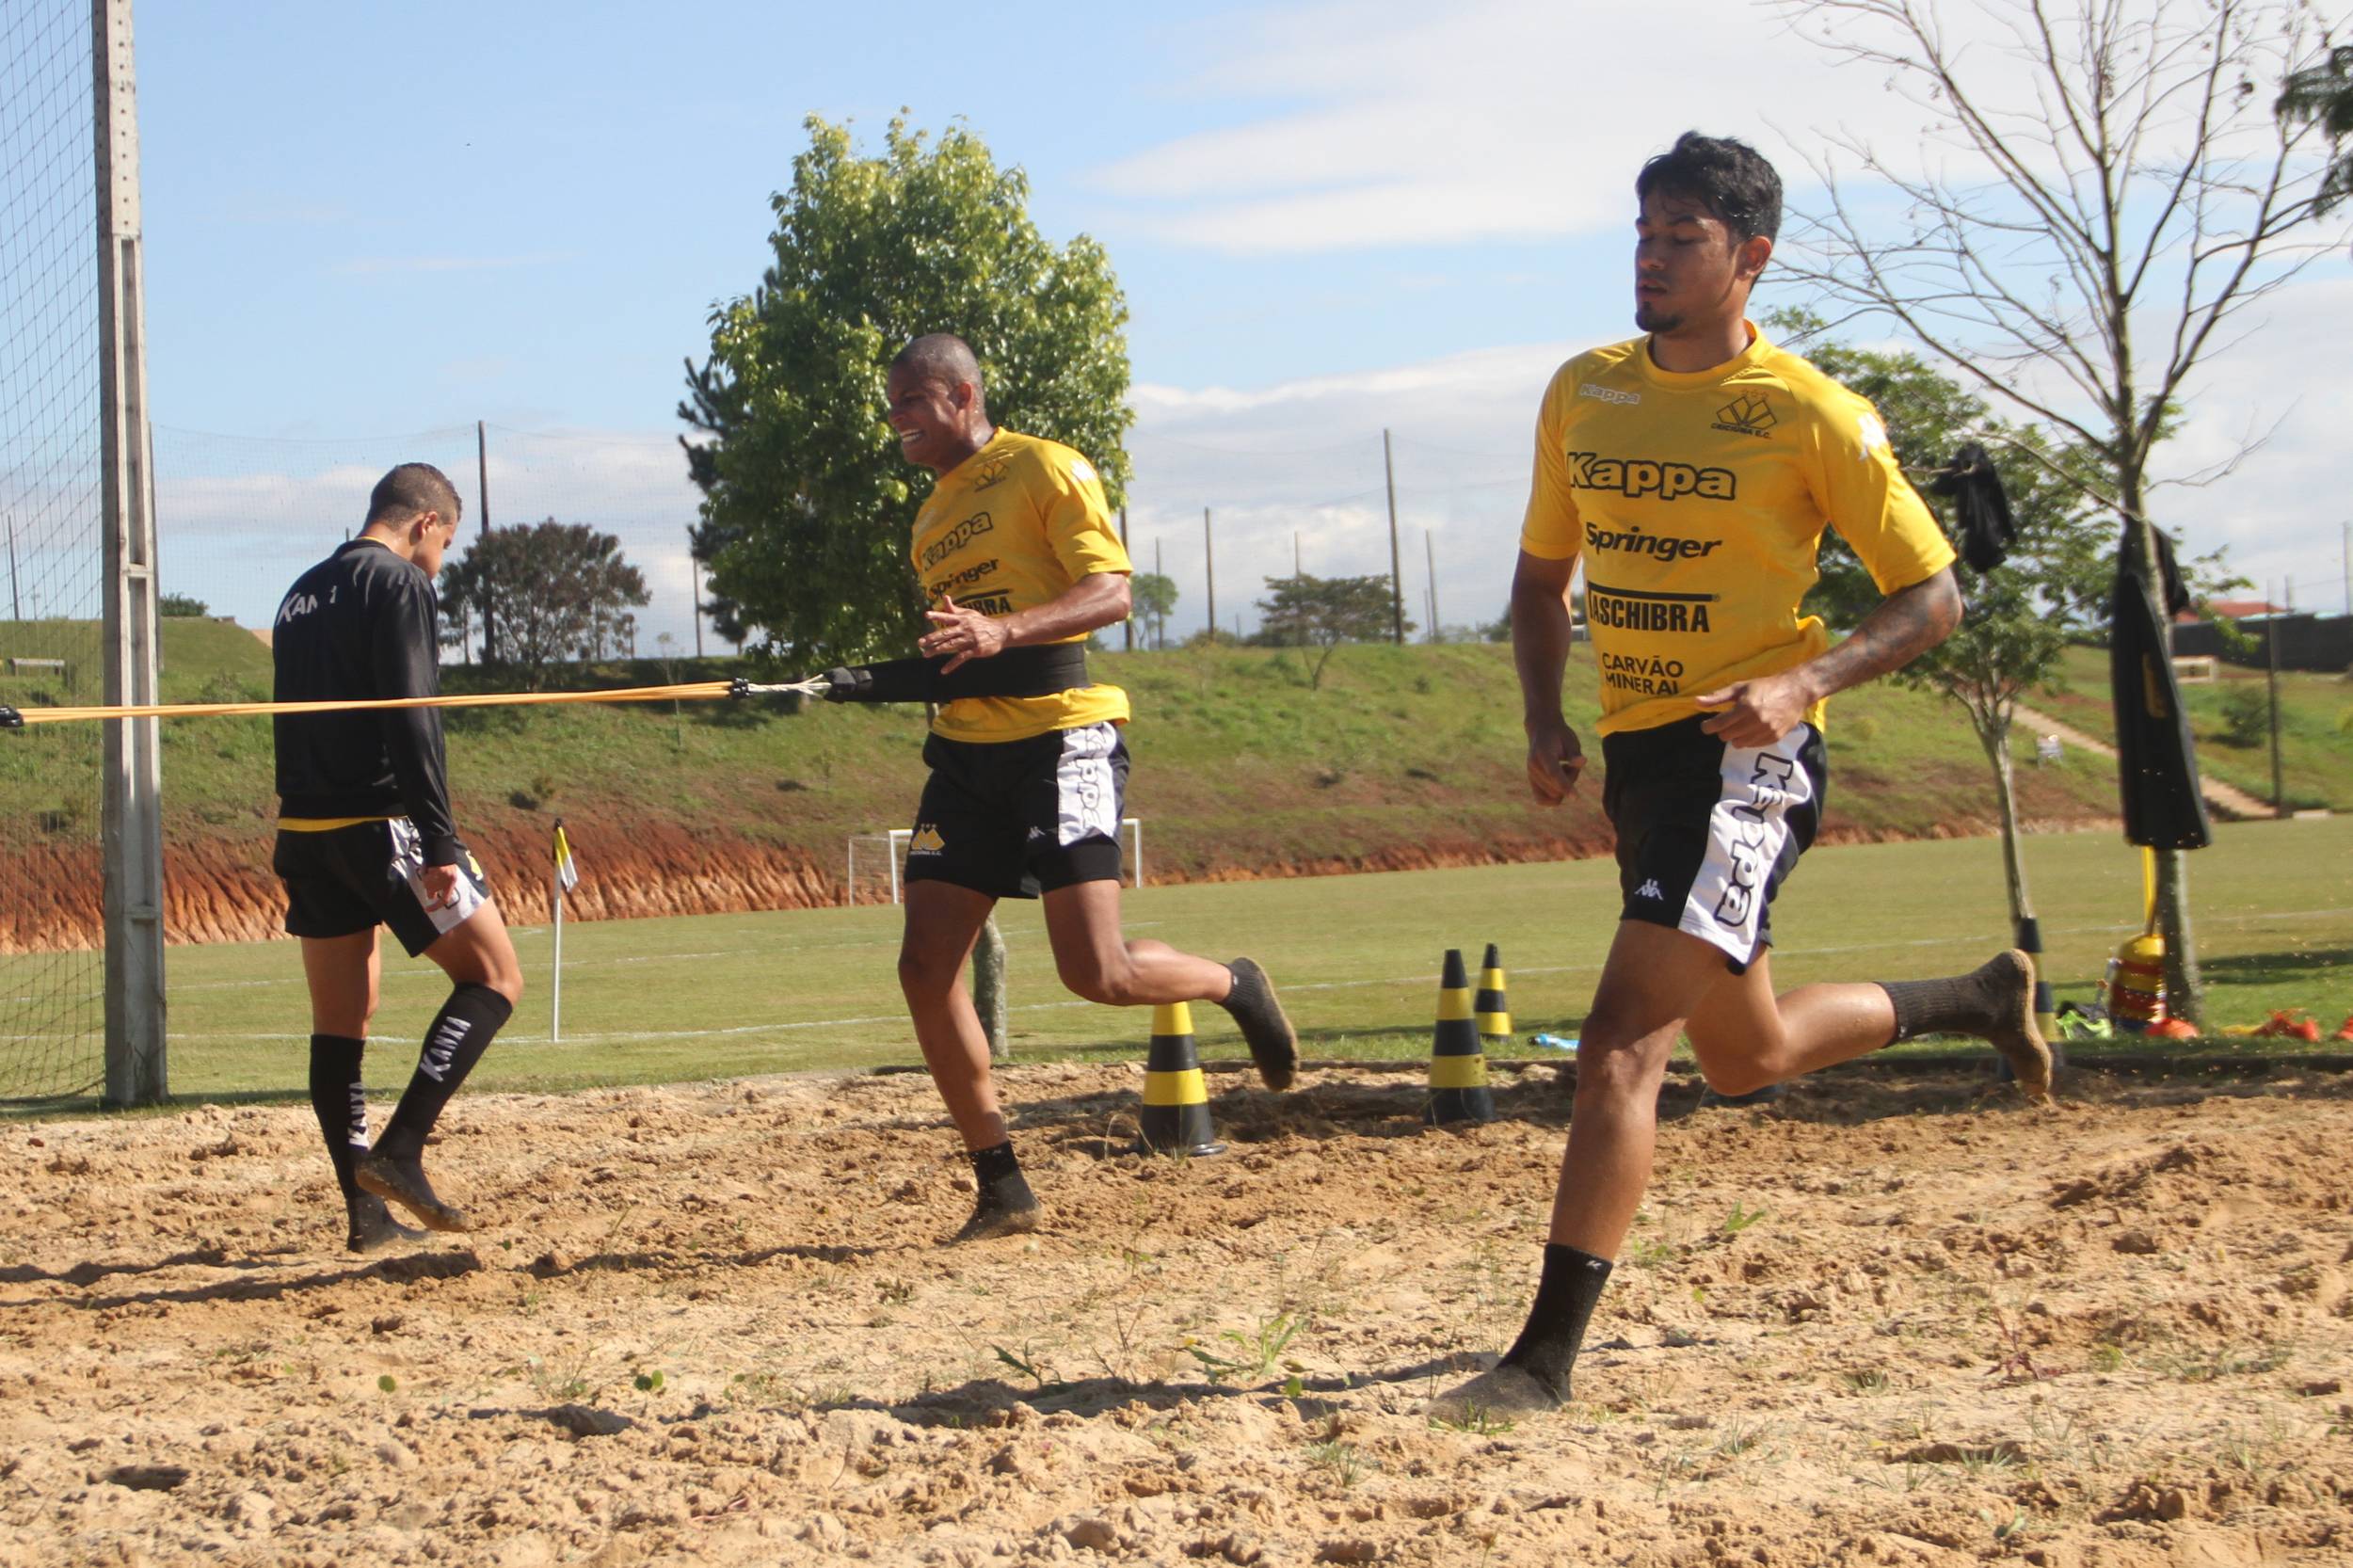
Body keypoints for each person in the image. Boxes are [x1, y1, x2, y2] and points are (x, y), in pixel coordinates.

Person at [1432, 134, 2052, 1419]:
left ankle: (1541, 1362)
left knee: (1620, 1044)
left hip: (1746, 757)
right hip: (1638, 760)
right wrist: (1546, 714)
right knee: (1750, 1054)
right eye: (1643, 233)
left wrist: (1805, 684)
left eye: (1681, 238)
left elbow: (1930, 595)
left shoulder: (1812, 415)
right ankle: (1981, 996)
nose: (1650, 258)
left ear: (1749, 258)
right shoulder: (1581, 391)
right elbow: (1544, 581)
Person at [884, 333, 1298, 1243]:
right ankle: (1001, 1186)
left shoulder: (1047, 468)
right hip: (965, 753)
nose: (897, 418)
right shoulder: (928, 518)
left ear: (961, 394)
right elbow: (973, 647)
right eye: (892, 404)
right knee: (924, 967)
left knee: (1098, 973)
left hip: (1063, 737)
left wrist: (1006, 631)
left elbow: (1111, 591)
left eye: (912, 399)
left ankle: (1233, 984)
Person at [271, 462, 525, 1252]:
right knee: (494, 978)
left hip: (306, 834)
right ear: (425, 524)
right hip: (383, 825)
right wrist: (441, 839)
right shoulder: (401, 584)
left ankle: (366, 1214)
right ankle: (402, 1151)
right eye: (445, 543)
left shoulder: (299, 593)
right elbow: (414, 717)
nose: (441, 560)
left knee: (341, 1021)